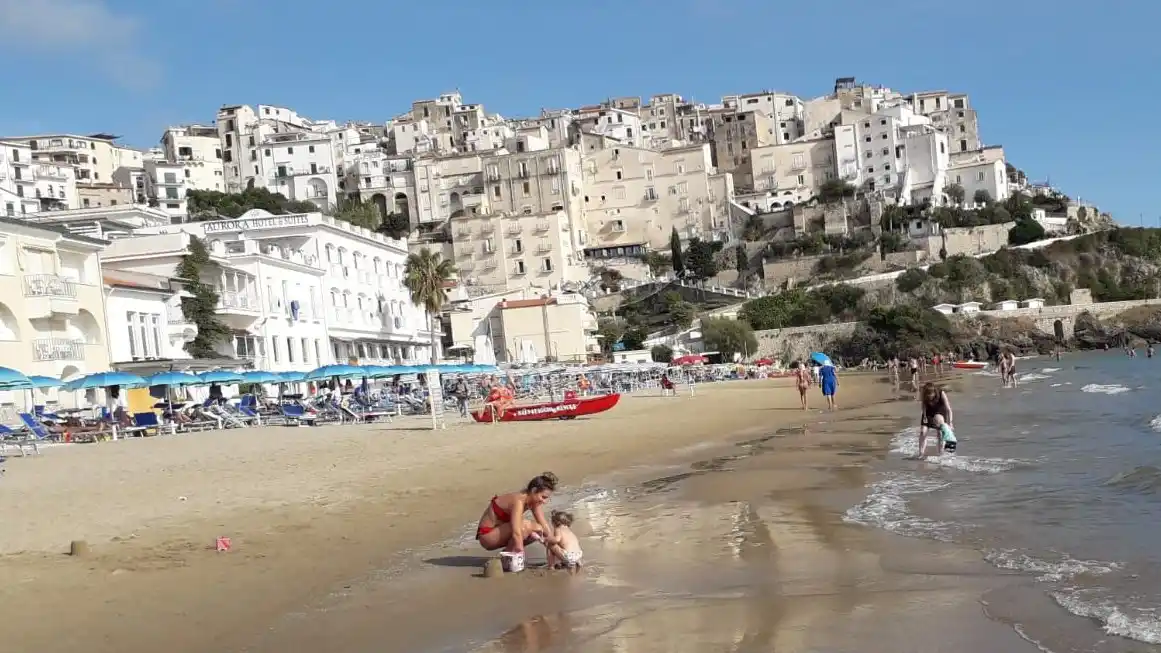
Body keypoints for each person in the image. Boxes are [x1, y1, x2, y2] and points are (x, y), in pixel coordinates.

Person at [476, 472, 560, 553]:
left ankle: (507, 553)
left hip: (501, 533)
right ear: (534, 490)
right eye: (543, 497)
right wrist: (520, 552)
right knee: (525, 525)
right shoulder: (518, 500)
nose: (545, 501)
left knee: (538, 529)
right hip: (487, 537)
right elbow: (516, 531)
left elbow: (545, 528)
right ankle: (513, 555)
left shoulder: (534, 502)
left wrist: (557, 547)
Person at [917, 382, 953, 460]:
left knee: (940, 433)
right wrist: (924, 415)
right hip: (928, 412)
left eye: (931, 394)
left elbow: (948, 409)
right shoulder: (924, 394)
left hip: (940, 412)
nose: (929, 396)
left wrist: (950, 423)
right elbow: (923, 404)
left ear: (934, 392)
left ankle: (940, 454)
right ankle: (921, 453)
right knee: (923, 431)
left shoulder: (941, 393)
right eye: (927, 395)